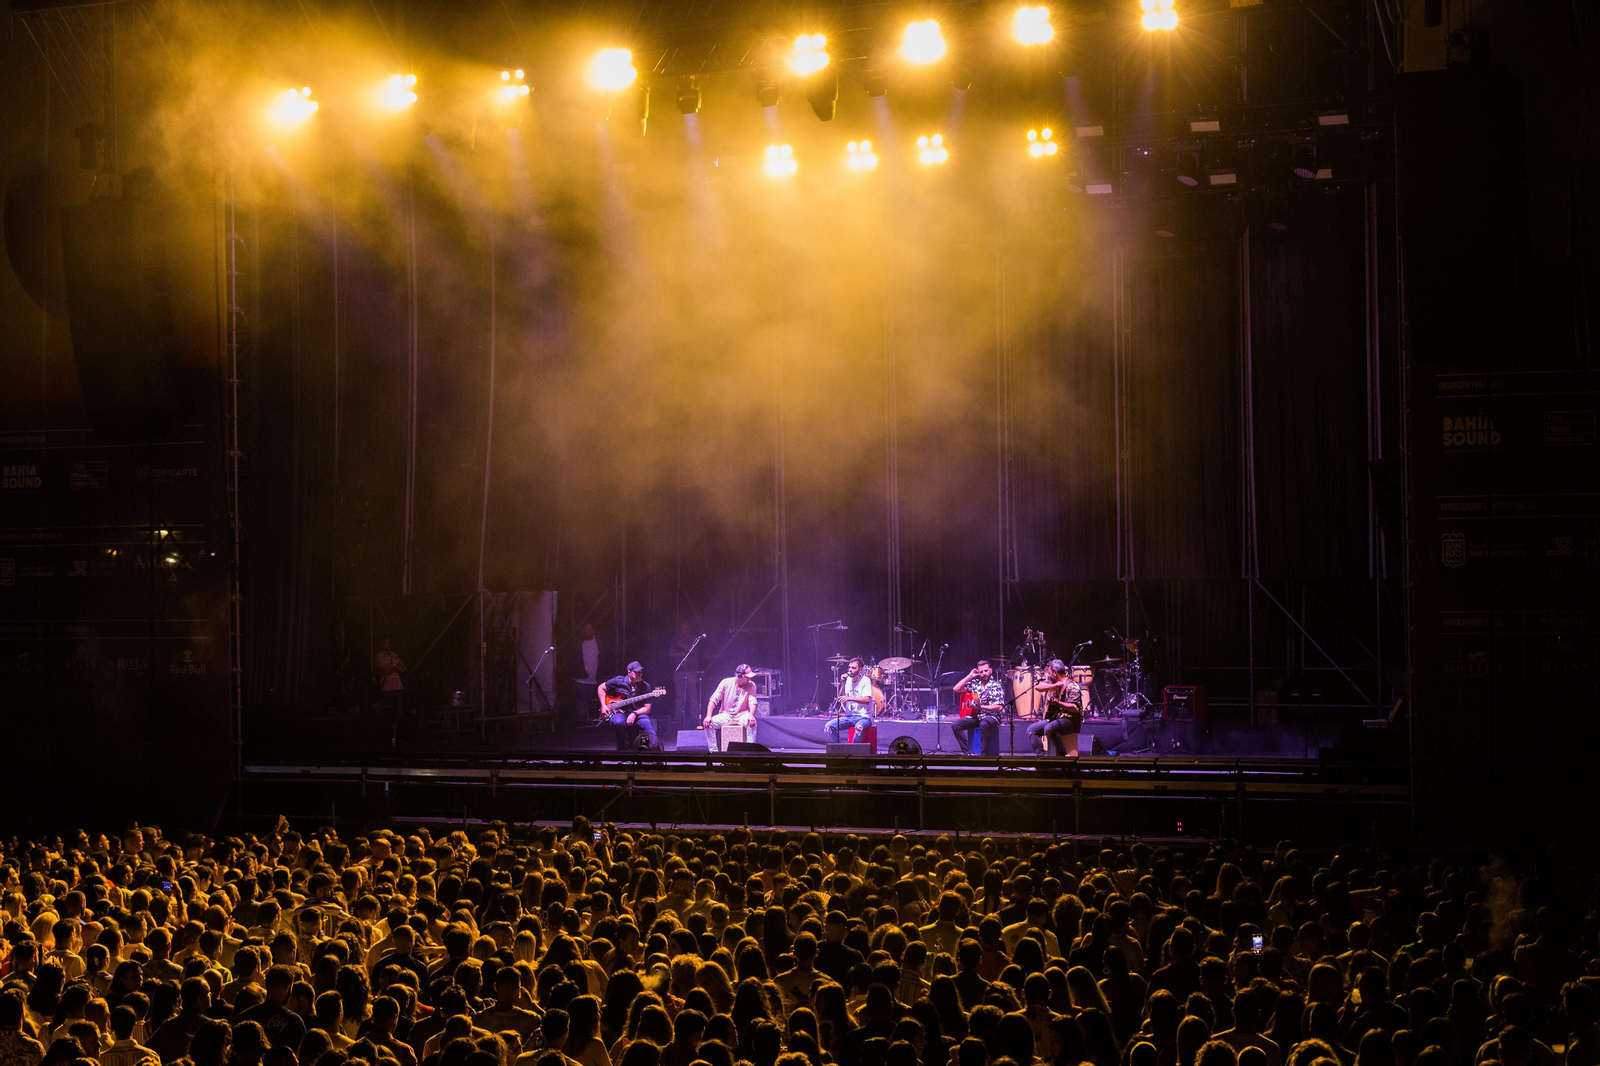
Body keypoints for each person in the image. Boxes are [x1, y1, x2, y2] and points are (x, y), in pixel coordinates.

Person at [1026, 661, 1083, 756]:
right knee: (1032, 729)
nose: (1049, 675)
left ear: (1055, 672)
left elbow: (1075, 708)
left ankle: (1064, 755)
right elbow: (1038, 687)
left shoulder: (1072, 686)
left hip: (1071, 721)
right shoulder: (1054, 683)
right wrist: (1054, 686)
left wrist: (1057, 703)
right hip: (1057, 718)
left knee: (1049, 728)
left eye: (1049, 673)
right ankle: (1043, 760)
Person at [951, 661, 1004, 756]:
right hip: (977, 716)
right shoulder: (975, 684)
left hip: (992, 717)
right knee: (955, 725)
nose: (984, 673)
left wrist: (981, 707)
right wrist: (970, 676)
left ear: (990, 671)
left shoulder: (996, 685)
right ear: (978, 673)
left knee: (984, 724)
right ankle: (967, 753)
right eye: (981, 672)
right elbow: (956, 688)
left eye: (986, 671)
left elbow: (999, 707)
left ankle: (984, 755)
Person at [601, 662, 656, 751]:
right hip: (619, 712)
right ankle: (624, 753)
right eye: (637, 672)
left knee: (647, 724)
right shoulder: (618, 681)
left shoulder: (645, 686)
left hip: (638, 713)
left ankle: (655, 751)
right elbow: (601, 688)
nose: (640, 674)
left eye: (641, 672)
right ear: (629, 672)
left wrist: (634, 713)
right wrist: (603, 705)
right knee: (618, 722)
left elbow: (647, 708)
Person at [703, 665, 760, 750]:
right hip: (726, 714)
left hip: (742, 714)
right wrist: (708, 716)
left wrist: (751, 715)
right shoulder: (725, 682)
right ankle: (713, 752)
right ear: (739, 675)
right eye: (747, 677)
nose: (749, 679)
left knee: (752, 723)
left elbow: (753, 701)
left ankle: (750, 752)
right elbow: (714, 699)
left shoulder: (751, 685)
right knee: (709, 724)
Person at [825, 659, 876, 744]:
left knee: (858, 728)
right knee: (828, 727)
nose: (850, 670)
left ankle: (854, 752)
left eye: (853, 668)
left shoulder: (865, 680)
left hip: (864, 716)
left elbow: (867, 700)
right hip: (849, 716)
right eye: (849, 667)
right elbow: (841, 695)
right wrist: (843, 682)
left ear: (860, 669)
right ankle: (841, 749)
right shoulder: (848, 680)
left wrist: (850, 698)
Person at [374, 639, 406, 716]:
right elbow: (386, 670)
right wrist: (396, 668)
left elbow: (403, 668)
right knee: (388, 709)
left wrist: (394, 666)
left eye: (389, 643)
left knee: (399, 708)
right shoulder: (380, 655)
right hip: (387, 686)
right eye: (386, 643)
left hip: (398, 686)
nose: (388, 645)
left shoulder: (394, 655)